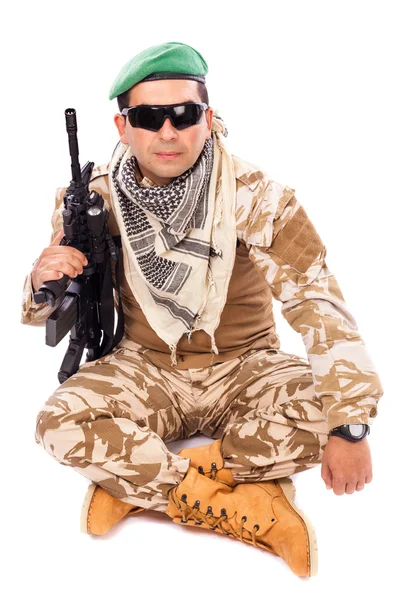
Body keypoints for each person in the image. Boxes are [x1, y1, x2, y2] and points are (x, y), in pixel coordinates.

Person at [22, 41, 384, 578]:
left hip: (246, 367)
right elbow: (50, 308)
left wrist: (351, 427)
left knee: (327, 415)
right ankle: (247, 505)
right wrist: (40, 280)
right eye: (148, 117)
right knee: (59, 422)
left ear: (207, 119)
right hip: (145, 366)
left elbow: (317, 301)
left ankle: (139, 485)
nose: (167, 132)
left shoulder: (255, 196)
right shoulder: (94, 197)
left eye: (183, 114)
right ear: (123, 127)